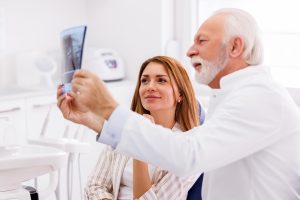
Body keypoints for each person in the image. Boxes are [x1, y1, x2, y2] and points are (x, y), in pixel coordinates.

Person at [57, 8, 300, 200]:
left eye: (202, 41)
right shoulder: (231, 96)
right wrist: (95, 120)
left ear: (235, 46)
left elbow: (188, 155)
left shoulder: (258, 97)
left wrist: (108, 108)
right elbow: (96, 185)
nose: (190, 50)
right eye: (145, 80)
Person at [83, 56, 201, 199]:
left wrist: (139, 145)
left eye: (161, 80)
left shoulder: (188, 149)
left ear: (180, 94)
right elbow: (95, 185)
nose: (150, 86)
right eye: (144, 80)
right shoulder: (125, 129)